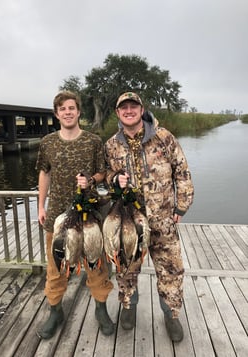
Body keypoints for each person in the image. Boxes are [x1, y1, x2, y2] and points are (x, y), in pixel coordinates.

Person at [104, 92, 194, 342]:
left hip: (162, 219)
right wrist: (114, 179)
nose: (129, 110)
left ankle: (171, 314)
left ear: (142, 109)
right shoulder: (111, 144)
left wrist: (181, 206)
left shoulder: (164, 137)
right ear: (117, 112)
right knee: (125, 267)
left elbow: (182, 172)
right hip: (129, 221)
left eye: (133, 106)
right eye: (124, 107)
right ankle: (128, 306)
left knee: (171, 268)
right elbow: (108, 177)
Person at [36, 91, 114, 339]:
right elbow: (44, 174)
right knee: (55, 267)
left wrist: (90, 179)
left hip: (89, 216)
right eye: (62, 109)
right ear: (56, 114)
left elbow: (102, 174)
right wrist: (41, 206)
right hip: (58, 216)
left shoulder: (93, 141)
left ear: (79, 112)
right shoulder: (48, 142)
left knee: (96, 265)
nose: (67, 112)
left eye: (71, 107)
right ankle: (55, 311)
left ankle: (100, 309)